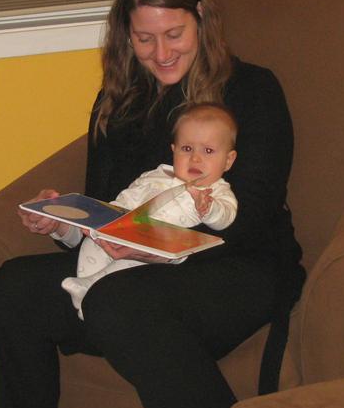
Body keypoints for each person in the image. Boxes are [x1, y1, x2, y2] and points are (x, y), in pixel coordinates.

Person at [0, 0, 304, 408]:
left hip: (239, 265)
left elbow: (252, 214)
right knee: (13, 287)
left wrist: (148, 243)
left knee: (118, 301)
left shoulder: (253, 92)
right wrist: (67, 223)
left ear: (201, 17)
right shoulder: (121, 100)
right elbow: (108, 210)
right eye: (144, 38)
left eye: (174, 34)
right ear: (124, 34)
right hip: (131, 263)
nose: (161, 53)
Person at [61, 102, 239, 319]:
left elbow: (225, 218)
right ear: (173, 150)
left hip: (158, 251)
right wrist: (110, 218)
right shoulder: (155, 176)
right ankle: (85, 292)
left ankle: (90, 286)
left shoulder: (217, 192)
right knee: (93, 244)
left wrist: (208, 209)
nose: (195, 158)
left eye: (208, 151)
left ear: (228, 160)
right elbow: (128, 197)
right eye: (187, 149)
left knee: (127, 265)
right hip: (128, 231)